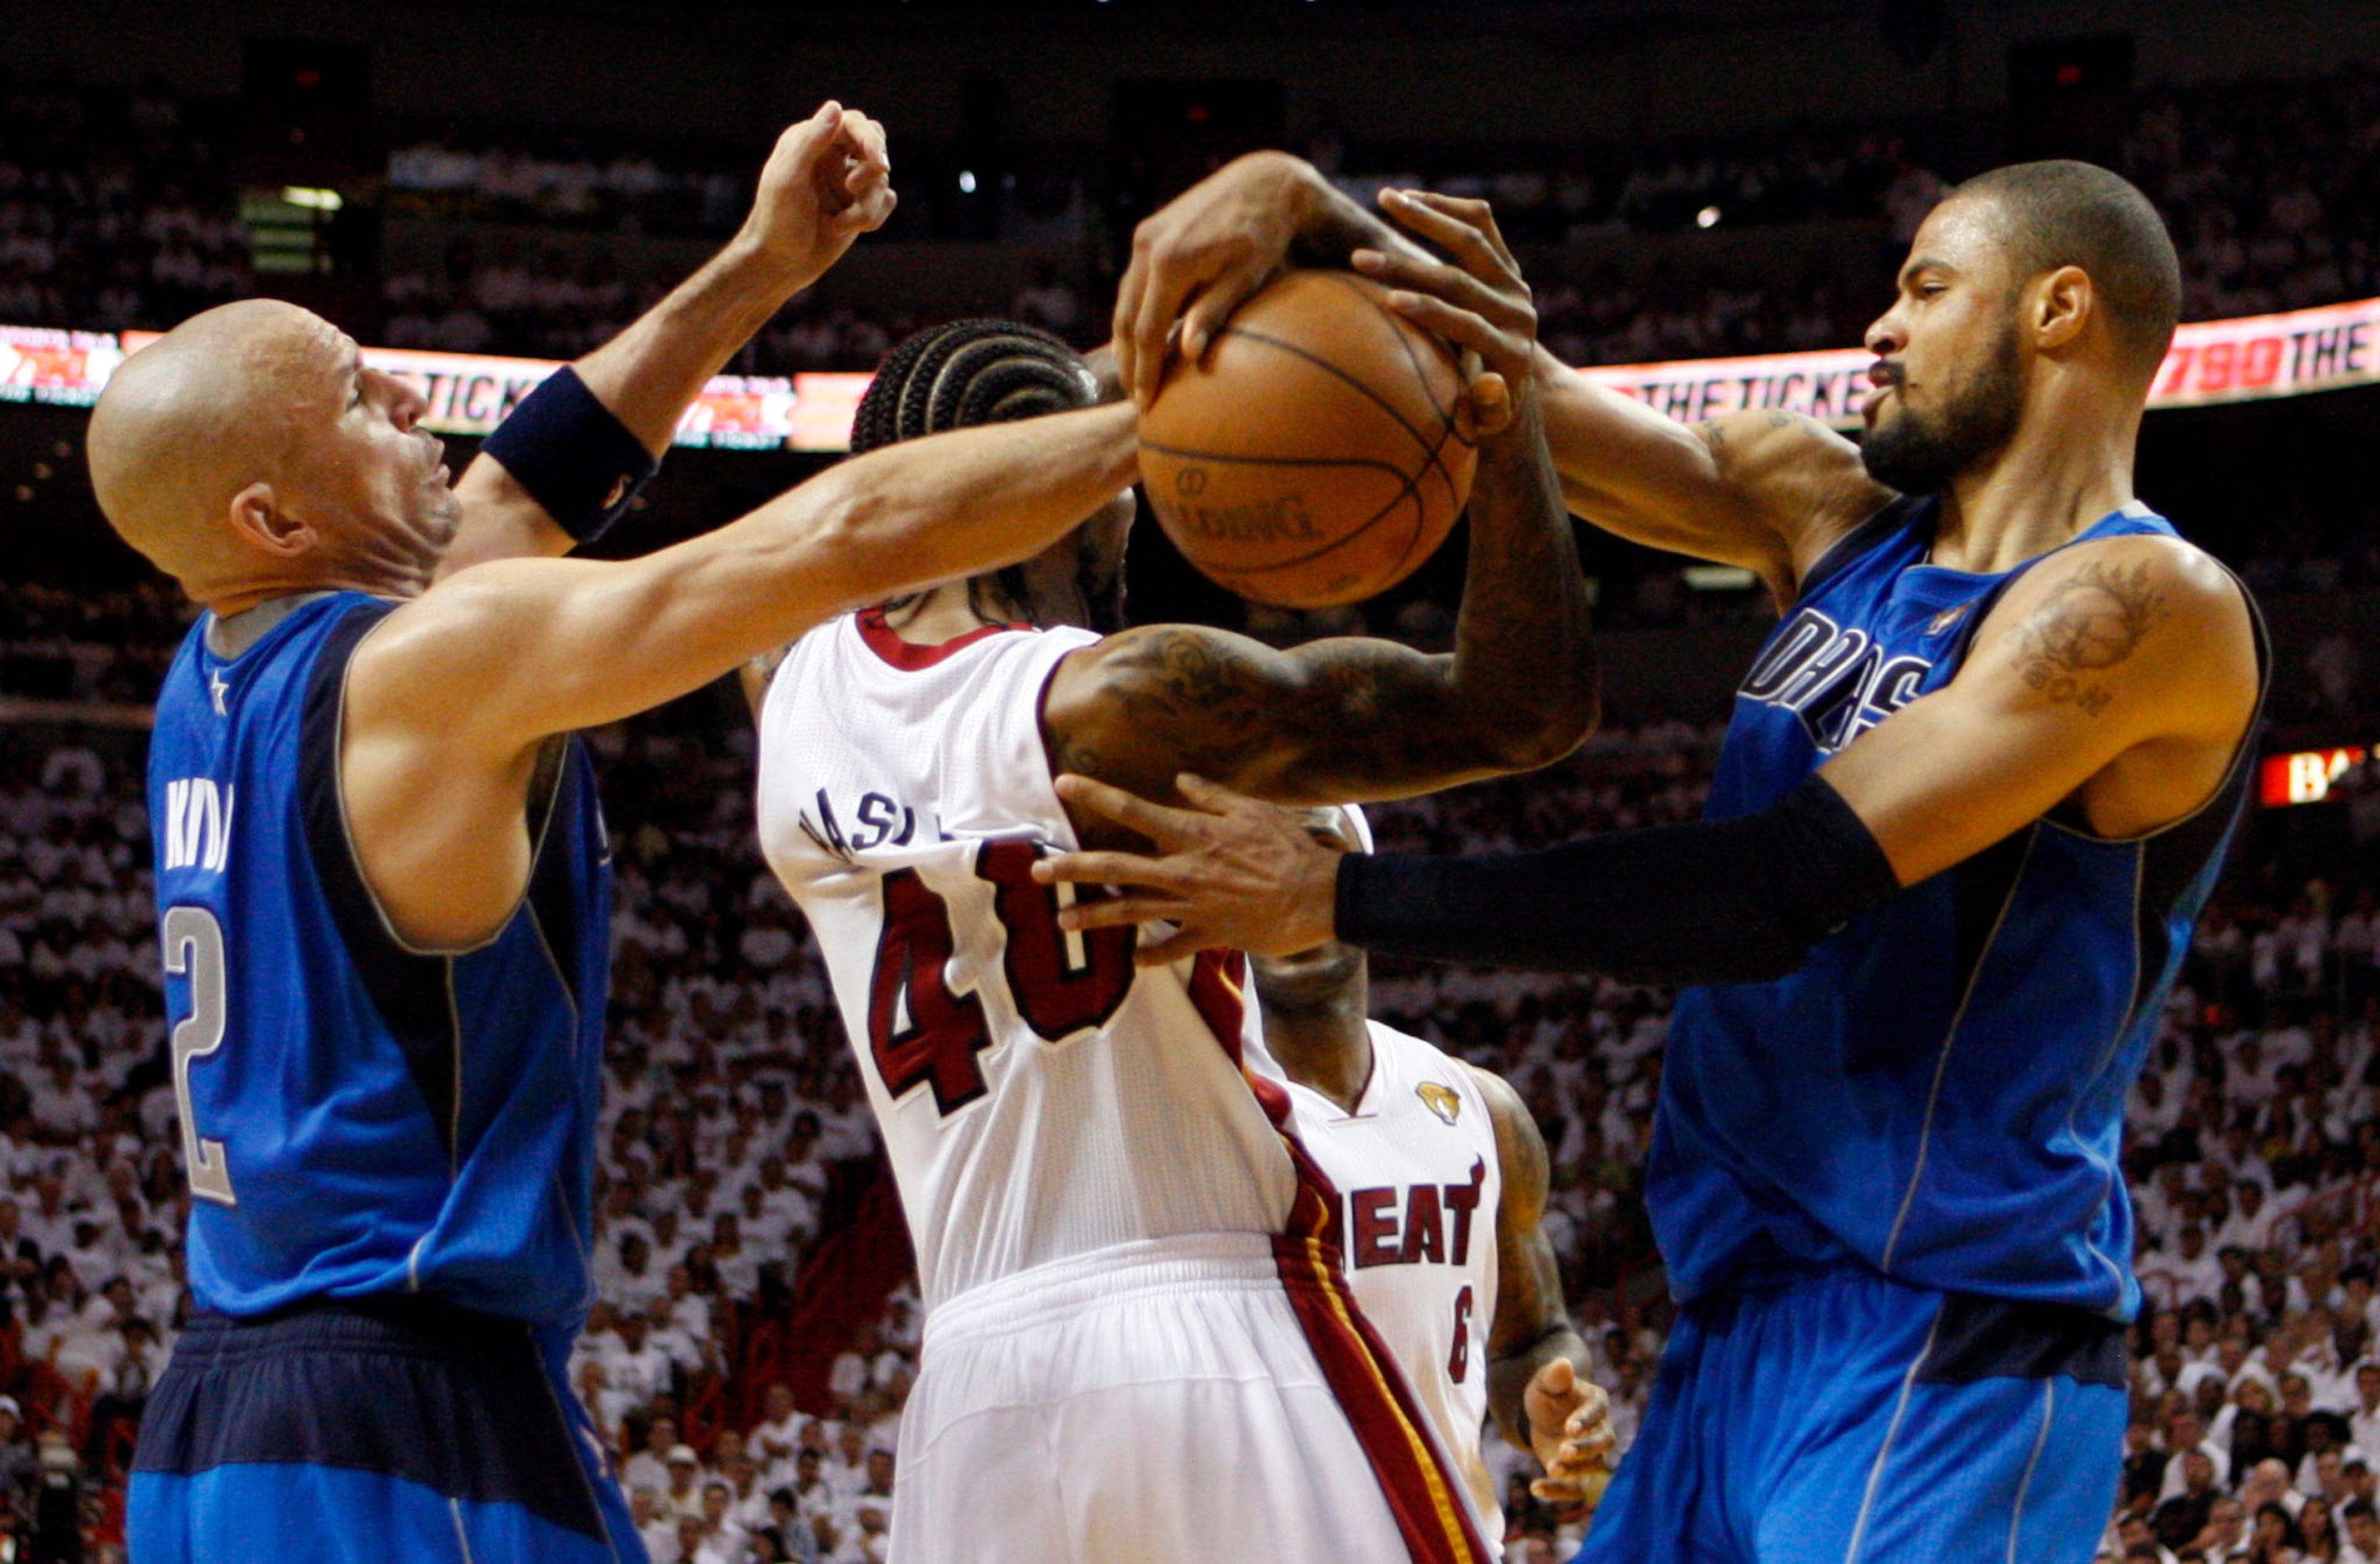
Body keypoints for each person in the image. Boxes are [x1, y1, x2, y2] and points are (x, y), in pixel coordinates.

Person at [1046, 152, 2267, 1562]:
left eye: (1925, 288)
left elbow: (1766, 893)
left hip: (1945, 1336)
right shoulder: (1821, 510)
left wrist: (1336, 889)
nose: (1879, 326)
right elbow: (1514, 390)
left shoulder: (2143, 604)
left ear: (2057, 312)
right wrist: (1306, 201)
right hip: (1737, 1322)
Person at [100, 103, 1148, 1564]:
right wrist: (1168, 421)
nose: (413, 403)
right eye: (358, 398)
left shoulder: (218, 672)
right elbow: (823, 547)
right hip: (399, 1424)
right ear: (275, 517)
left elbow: (530, 485)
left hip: (217, 1429)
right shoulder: (418, 670)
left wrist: (764, 263)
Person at [749, 191, 1595, 1563]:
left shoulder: (785, 685)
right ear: (1083, 490)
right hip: (1205, 1328)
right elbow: (1525, 708)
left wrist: (1048, 414)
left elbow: (912, 497)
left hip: (971, 1381)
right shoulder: (1138, 701)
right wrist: (1498, 423)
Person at [1253, 805, 1615, 1550]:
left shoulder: (1482, 1107)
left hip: (1442, 1537)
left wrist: (1554, 1411)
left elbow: (1531, 1340)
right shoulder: (1188, 1110)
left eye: (1317, 855)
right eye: (1260, 866)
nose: (1288, 887)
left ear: (1367, 880)